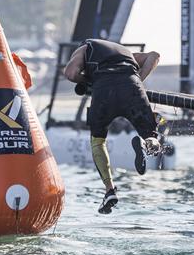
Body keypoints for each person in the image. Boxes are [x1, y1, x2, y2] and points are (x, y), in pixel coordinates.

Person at [64, 39, 162, 214]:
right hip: (132, 86)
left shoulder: (85, 48)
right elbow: (154, 56)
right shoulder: (125, 52)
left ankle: (109, 190)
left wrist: (88, 80)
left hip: (103, 92)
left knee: (98, 142)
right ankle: (148, 143)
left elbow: (71, 73)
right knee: (152, 135)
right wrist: (138, 80)